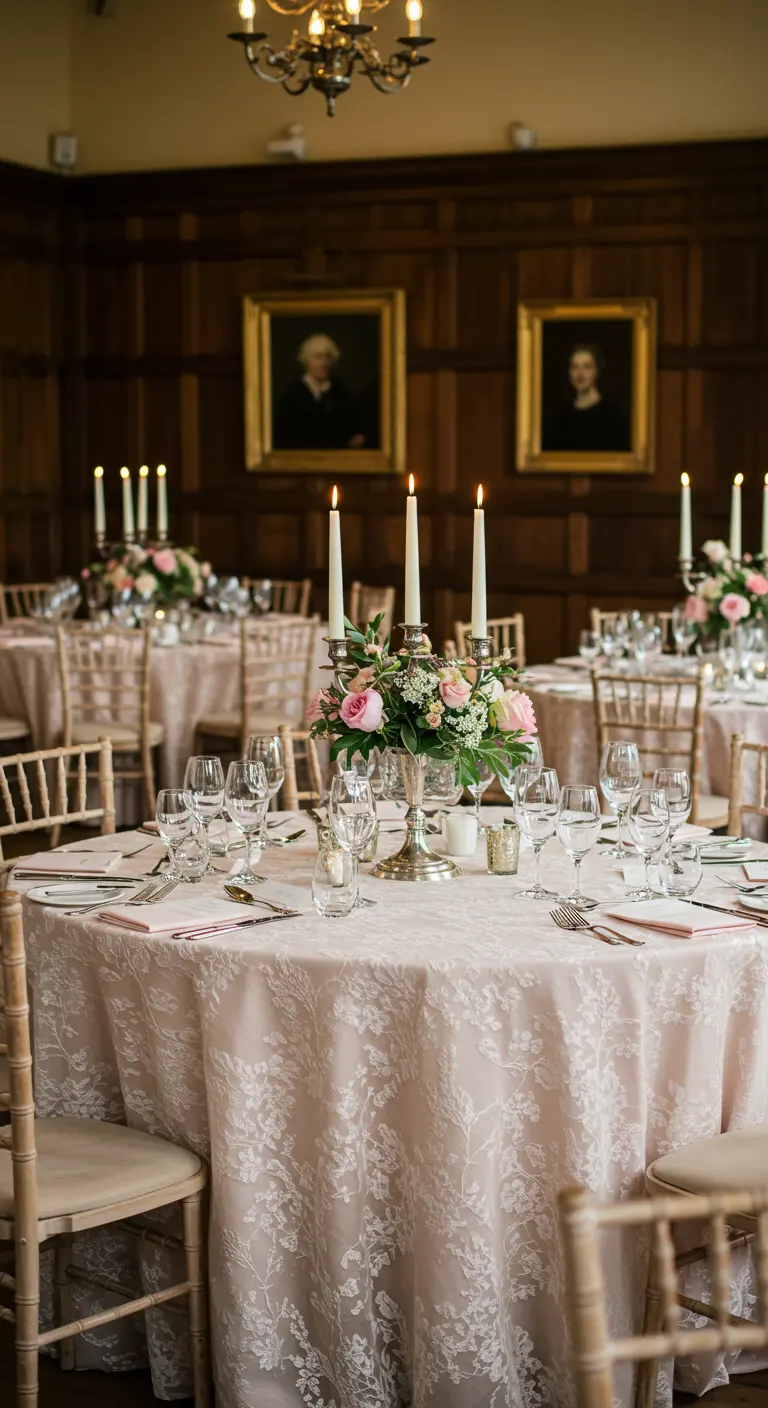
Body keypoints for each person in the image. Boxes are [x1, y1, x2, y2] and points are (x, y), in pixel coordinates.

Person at [274, 333, 366, 450]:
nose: (324, 363)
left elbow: (353, 427)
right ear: (306, 361)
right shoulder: (292, 394)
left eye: (327, 357)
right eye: (318, 357)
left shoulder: (340, 390)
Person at [543, 343, 630, 452]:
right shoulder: (560, 418)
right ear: (569, 372)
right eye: (575, 367)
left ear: (597, 371)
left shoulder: (615, 415)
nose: (580, 374)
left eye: (587, 367)